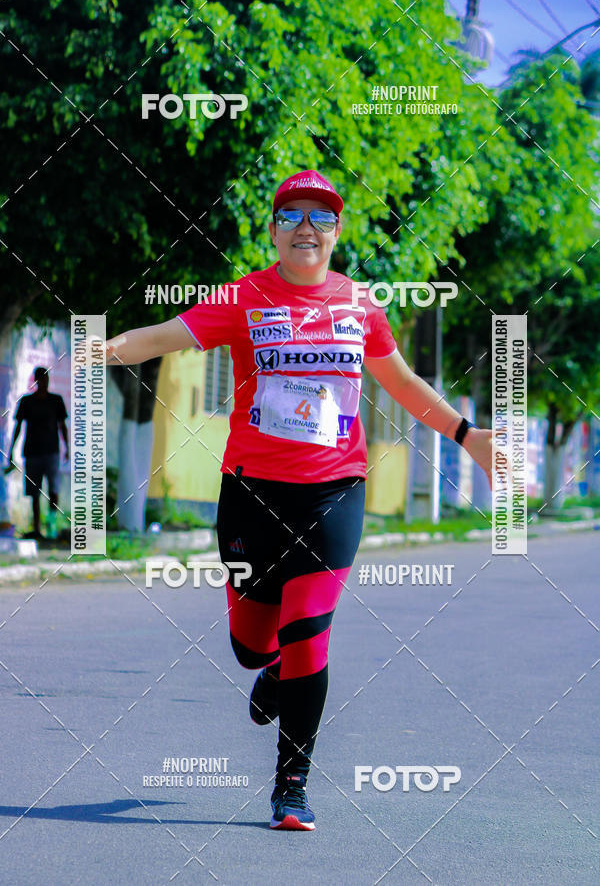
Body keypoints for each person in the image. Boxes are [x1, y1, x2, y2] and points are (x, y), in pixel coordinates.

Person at [104, 170, 493, 831]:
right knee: (253, 648)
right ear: (274, 231)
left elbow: (399, 382)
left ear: (337, 232)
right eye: (292, 216)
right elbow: (166, 335)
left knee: (310, 630)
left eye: (322, 216)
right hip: (251, 493)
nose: (307, 226)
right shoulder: (243, 297)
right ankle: (271, 668)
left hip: (336, 490)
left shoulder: (360, 307)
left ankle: (292, 785)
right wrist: (96, 351)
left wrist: (465, 433)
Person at [7, 367, 69, 540]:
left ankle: (52, 525)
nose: (44, 381)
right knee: (34, 492)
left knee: (54, 489)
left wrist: (67, 448)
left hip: (52, 452)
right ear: (35, 380)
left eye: (46, 378)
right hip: (32, 453)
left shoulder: (56, 401)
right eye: (41, 378)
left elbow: (62, 426)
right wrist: (11, 451)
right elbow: (18, 427)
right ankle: (37, 529)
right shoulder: (27, 402)